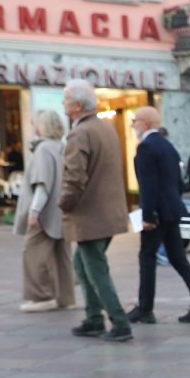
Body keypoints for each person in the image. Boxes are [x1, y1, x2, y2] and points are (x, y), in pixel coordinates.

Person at [58, 79, 135, 342]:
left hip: (90, 214)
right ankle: (93, 318)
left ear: (78, 106)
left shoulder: (80, 133)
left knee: (95, 269)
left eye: (66, 100)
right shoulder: (105, 127)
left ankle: (119, 322)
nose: (63, 105)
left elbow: (74, 176)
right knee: (82, 263)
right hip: (108, 212)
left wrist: (64, 203)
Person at [127, 106, 190, 326]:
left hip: (157, 213)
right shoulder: (168, 146)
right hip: (172, 211)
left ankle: (145, 309)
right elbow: (178, 183)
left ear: (145, 123)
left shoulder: (146, 147)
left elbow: (148, 186)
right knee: (178, 258)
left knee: (147, 257)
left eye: (135, 121)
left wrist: (148, 215)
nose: (133, 125)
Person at [16, 109, 75, 312]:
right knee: (62, 255)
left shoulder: (43, 149)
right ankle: (66, 297)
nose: (33, 127)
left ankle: (41, 296)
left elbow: (42, 184)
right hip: (61, 210)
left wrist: (34, 212)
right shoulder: (62, 147)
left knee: (32, 252)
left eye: (35, 124)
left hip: (46, 212)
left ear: (42, 127)